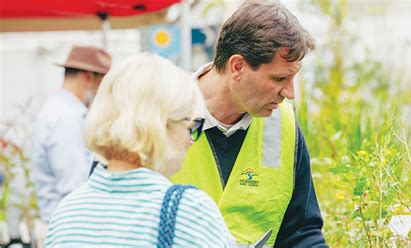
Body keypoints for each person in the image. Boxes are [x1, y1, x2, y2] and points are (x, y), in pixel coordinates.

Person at [171, 1, 327, 247]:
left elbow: (301, 232)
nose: (290, 93)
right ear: (237, 67)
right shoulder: (160, 115)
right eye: (279, 78)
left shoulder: (283, 124)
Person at [44, 53, 237, 247]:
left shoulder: (65, 215)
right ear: (160, 125)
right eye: (193, 126)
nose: (191, 141)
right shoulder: (190, 211)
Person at [30, 46, 111, 246]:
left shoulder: (57, 109)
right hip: (73, 229)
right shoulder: (68, 117)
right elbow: (75, 185)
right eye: (103, 84)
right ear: (88, 77)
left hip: (63, 225)